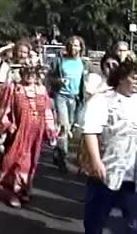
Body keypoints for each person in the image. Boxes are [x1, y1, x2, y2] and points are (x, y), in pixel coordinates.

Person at [81, 61, 137, 234]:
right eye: (133, 78)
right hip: (109, 168)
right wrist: (96, 161)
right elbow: (90, 131)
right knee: (95, 218)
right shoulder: (103, 100)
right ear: (121, 78)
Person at [0, 65, 57, 208]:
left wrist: (50, 129)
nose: (31, 76)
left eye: (34, 73)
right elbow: (3, 111)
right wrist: (8, 124)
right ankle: (13, 192)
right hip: (18, 134)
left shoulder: (41, 91)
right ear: (22, 73)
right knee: (15, 163)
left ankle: (24, 189)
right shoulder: (14, 89)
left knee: (30, 164)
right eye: (27, 72)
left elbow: (47, 112)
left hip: (36, 134)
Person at [48, 35, 89, 173]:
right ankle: (62, 157)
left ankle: (58, 152)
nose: (73, 47)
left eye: (77, 45)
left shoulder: (83, 63)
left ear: (81, 47)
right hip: (61, 96)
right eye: (71, 44)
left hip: (76, 98)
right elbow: (50, 77)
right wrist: (58, 81)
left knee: (70, 128)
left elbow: (87, 81)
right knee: (64, 127)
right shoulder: (59, 61)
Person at [0, 41, 28, 153]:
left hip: (22, 103)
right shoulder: (6, 65)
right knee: (6, 128)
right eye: (21, 51)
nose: (22, 55)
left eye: (25, 52)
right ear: (16, 52)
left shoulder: (28, 67)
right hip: (8, 102)